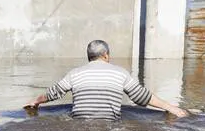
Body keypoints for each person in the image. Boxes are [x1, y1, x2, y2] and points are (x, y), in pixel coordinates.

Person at [25, 40, 188, 120]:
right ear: (106, 55)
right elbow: (142, 97)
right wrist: (170, 107)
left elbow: (53, 93)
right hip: (109, 126)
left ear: (89, 57)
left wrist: (36, 101)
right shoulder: (120, 73)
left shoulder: (75, 74)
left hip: (79, 127)